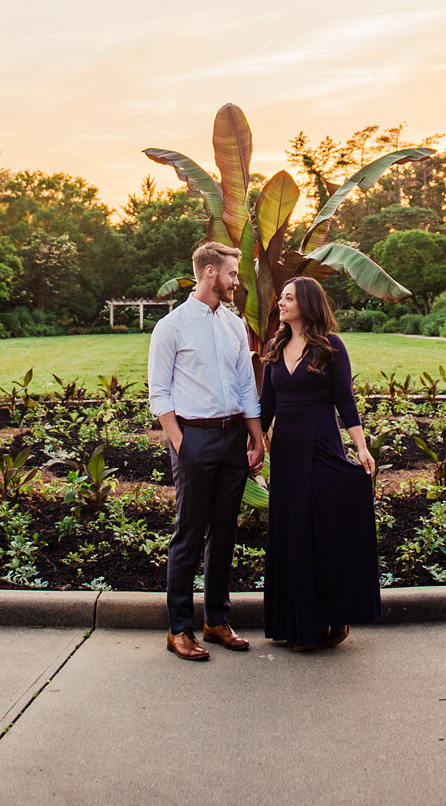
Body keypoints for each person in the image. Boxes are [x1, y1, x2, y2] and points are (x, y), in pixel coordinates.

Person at [145, 240, 266, 661]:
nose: (237, 281)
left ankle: (216, 620)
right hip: (193, 440)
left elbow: (246, 387)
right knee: (189, 534)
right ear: (211, 272)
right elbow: (159, 394)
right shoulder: (172, 327)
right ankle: (179, 628)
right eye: (233, 273)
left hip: (234, 438)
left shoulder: (234, 326)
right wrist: (183, 445)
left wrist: (257, 438)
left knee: (226, 532)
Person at [259, 275, 381, 651]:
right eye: (281, 297)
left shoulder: (331, 346)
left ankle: (335, 615)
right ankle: (300, 624)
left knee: (323, 531)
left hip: (323, 445)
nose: (280, 303)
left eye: (289, 298)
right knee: (292, 533)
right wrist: (255, 446)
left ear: (307, 304)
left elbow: (345, 400)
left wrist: (360, 448)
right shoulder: (275, 346)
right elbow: (267, 406)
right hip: (287, 454)